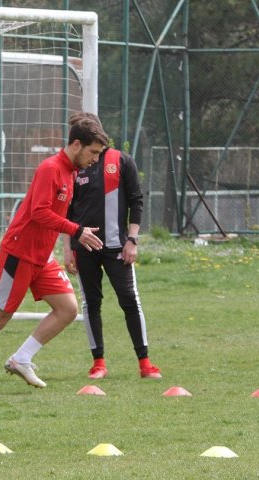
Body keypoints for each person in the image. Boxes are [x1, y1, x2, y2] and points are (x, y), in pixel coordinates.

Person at [0, 116, 108, 394]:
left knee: (67, 308)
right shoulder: (50, 168)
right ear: (77, 145)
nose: (95, 159)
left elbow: (59, 215)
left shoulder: (71, 172)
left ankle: (21, 358)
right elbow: (39, 212)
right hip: (19, 254)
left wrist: (68, 242)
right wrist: (77, 231)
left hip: (42, 257)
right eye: (93, 153)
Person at [62, 113, 161, 380]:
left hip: (118, 247)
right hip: (84, 248)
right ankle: (99, 363)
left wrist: (132, 240)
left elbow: (136, 200)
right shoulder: (75, 165)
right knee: (90, 303)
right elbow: (67, 210)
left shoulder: (121, 161)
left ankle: (145, 362)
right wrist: (67, 246)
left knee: (129, 300)